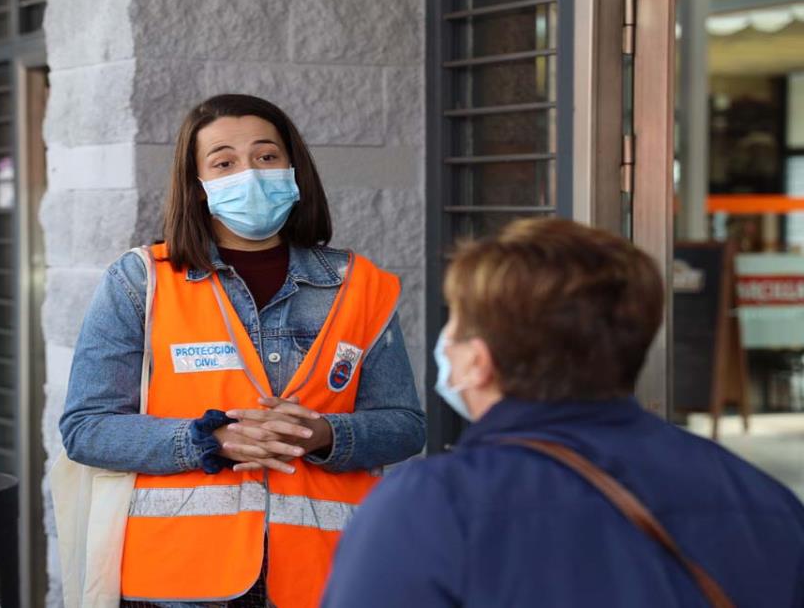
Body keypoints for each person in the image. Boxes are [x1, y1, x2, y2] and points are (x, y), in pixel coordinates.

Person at [60, 93, 426, 608]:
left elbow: (405, 425)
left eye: (266, 156)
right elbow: (86, 428)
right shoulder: (141, 282)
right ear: (199, 185)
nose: (249, 173)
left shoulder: (359, 285)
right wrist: (210, 440)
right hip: (178, 584)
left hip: (326, 577)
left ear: (293, 169)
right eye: (224, 162)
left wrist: (325, 433)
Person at [323, 218, 804, 607]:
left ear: (478, 361)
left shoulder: (433, 506)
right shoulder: (762, 498)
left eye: (456, 322)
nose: (446, 339)